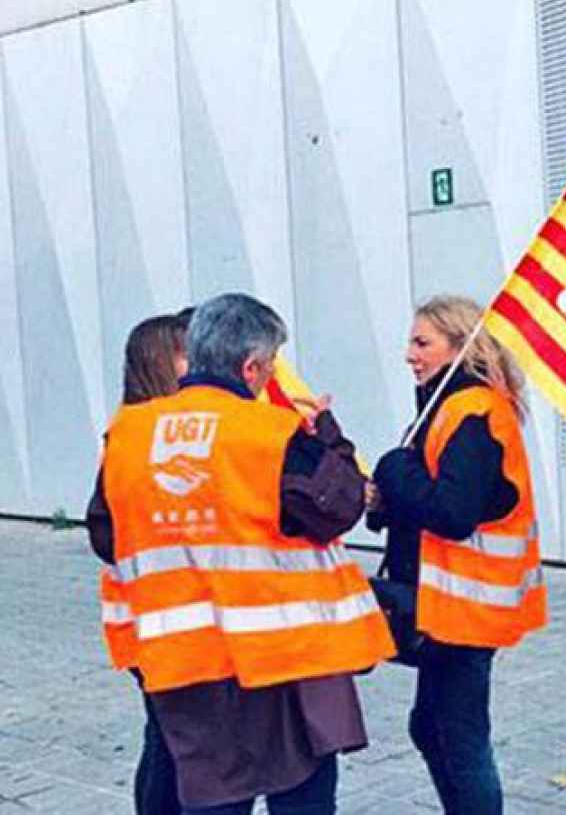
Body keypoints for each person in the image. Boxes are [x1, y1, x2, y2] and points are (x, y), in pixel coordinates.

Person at [87, 293, 392, 815]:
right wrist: (330, 437)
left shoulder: (128, 434)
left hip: (182, 658)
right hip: (281, 659)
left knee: (211, 795)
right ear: (251, 367)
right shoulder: (271, 434)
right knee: (301, 793)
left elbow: (105, 532)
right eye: (270, 363)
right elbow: (338, 506)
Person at [367, 295, 547, 815]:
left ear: (458, 346)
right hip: (448, 604)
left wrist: (393, 469)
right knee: (432, 728)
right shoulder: (446, 406)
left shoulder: (473, 410)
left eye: (422, 342)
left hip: (466, 608)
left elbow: (452, 510)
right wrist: (387, 499)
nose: (409, 354)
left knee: (458, 738)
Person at [96, 309, 193, 815]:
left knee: (165, 739)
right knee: (170, 745)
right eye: (184, 352)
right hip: (152, 617)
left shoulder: (141, 430)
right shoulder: (136, 435)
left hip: (160, 617)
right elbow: (103, 530)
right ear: (160, 362)